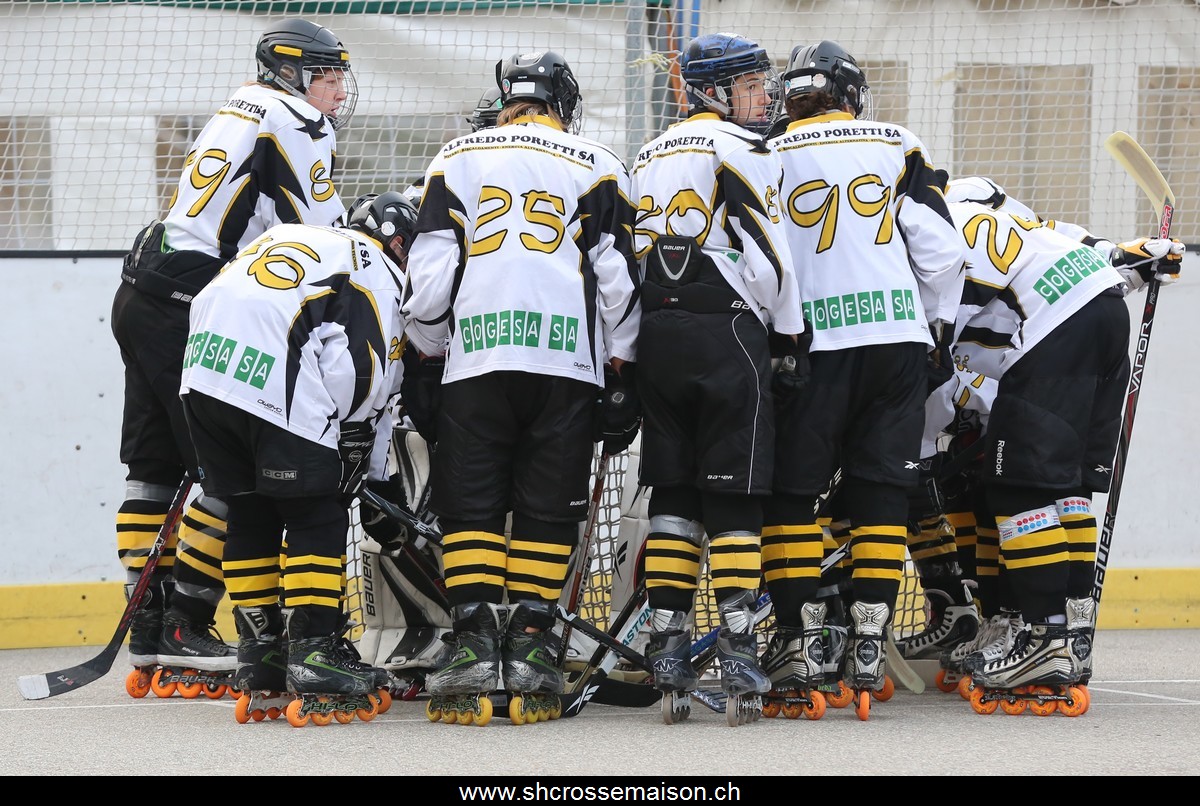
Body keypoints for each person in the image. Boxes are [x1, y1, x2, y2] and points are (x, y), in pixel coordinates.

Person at [111, 17, 357, 693]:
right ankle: (185, 620)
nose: (337, 91)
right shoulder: (297, 119)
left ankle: (149, 626)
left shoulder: (239, 104)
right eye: (326, 76)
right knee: (227, 467)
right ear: (291, 73)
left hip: (142, 285)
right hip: (191, 299)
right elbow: (319, 229)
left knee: (151, 467)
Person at [401, 50, 641, 726]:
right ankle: (533, 643)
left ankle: (475, 644)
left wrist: (428, 353)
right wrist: (623, 366)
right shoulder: (598, 162)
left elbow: (430, 278)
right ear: (562, 103)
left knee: (471, 505)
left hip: (477, 359)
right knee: (547, 507)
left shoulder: (457, 156)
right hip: (565, 363)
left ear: (507, 100)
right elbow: (617, 278)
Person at [764, 40, 966, 717]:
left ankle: (800, 641)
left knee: (793, 497)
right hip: (896, 343)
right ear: (849, 93)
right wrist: (936, 328)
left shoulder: (768, 150)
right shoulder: (895, 141)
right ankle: (871, 642)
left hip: (813, 344)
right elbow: (942, 254)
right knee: (882, 493)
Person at [179, 191, 418, 724]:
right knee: (316, 513)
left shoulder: (297, 235)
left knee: (250, 513)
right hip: (273, 375)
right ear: (399, 242)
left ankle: (260, 653)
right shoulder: (378, 269)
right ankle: (314, 651)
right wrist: (362, 453)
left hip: (203, 372)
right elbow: (364, 366)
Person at [628, 32, 803, 725]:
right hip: (727, 331)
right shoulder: (743, 148)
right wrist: (788, 336)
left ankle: (668, 643)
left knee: (673, 494)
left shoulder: (647, 152)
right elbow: (770, 253)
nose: (763, 97)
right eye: (750, 86)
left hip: (657, 334)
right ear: (713, 92)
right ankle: (736, 646)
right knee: (735, 495)